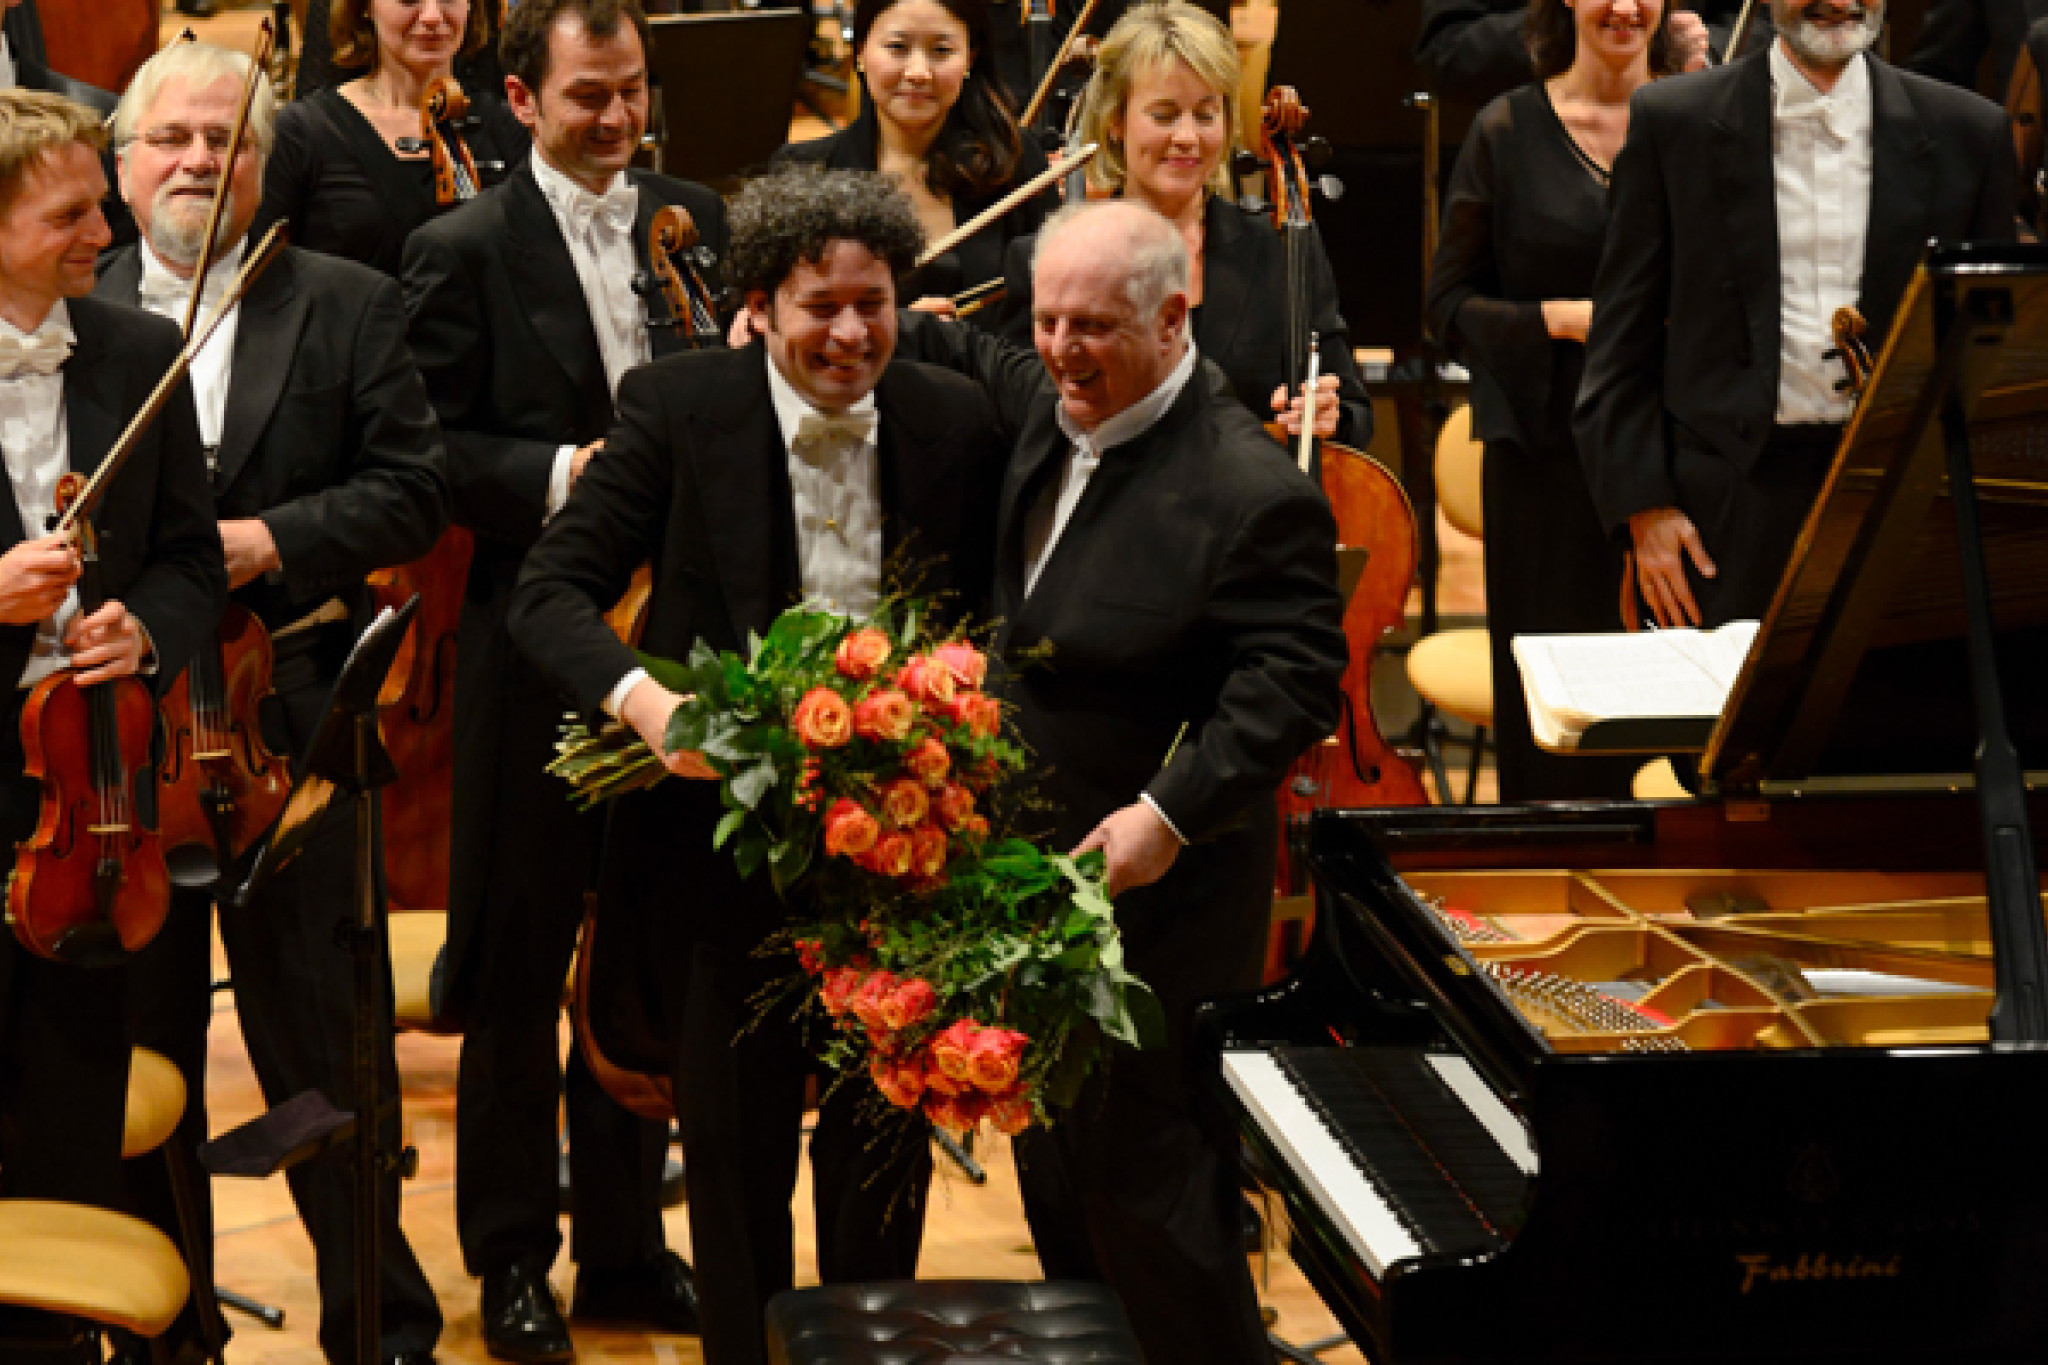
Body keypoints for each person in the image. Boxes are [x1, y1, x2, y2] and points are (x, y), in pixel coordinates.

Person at [506, 168, 1004, 1365]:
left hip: (901, 866)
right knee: (733, 1178)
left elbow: (997, 616)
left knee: (880, 1166)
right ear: (761, 307)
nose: (847, 333)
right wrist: (648, 705)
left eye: (872, 304)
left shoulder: (954, 421)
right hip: (718, 868)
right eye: (818, 305)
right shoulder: (679, 408)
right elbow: (547, 592)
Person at [901, 199, 1346, 1365]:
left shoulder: (1250, 489)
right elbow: (978, 351)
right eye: (1047, 319)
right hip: (1038, 881)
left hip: (1164, 897)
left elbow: (1293, 682)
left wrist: (1166, 814)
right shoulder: (1056, 405)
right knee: (1058, 1168)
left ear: (1170, 318)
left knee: (1153, 1189)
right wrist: (856, 320)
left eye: (1090, 326)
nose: (1059, 348)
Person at [99, 42, 450, 1365]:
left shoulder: (347, 302)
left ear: (267, 165)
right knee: (142, 1049)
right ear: (124, 165)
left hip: (289, 722)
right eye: (174, 138)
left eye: (229, 141)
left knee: (325, 1053)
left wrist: (266, 539)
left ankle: (382, 1324)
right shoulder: (67, 323)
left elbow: (412, 490)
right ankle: (164, 1327)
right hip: (118, 749)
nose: (200, 161)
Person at [402, 0, 723, 1357]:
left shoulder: (692, 220)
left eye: (632, 90)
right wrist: (559, 478)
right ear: (522, 99)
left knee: (641, 951)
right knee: (525, 957)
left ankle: (629, 1251)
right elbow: (419, 455)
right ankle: (512, 1255)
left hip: (680, 644)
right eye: (588, 96)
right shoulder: (458, 248)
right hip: (537, 640)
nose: (616, 119)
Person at [1575, 0, 2016, 632]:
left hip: (1901, 506)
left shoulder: (1970, 132)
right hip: (1720, 513)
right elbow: (1620, 344)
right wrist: (1645, 509)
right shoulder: (1675, 121)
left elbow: (1988, 357)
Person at [0, 89, 224, 1211]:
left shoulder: (140, 351)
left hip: (92, 812)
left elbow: (190, 556)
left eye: (102, 206)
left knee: (71, 1127)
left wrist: (144, 625)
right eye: (69, 216)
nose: (107, 233)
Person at [1424, 0, 1666, 801]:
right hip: (1543, 468)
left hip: (1671, 468)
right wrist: (1556, 320)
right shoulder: (1505, 131)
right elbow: (1448, 307)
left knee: (1661, 712)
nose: (1625, 7)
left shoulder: (1698, 123)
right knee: (1556, 726)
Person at [991, 1, 1373, 452]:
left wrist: (1331, 414)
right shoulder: (1048, 258)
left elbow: (1354, 409)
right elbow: (1017, 416)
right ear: (1117, 120)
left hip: (1243, 511)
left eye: (1206, 115)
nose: (1188, 137)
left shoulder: (1281, 249)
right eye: (1165, 115)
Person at [775, 0, 1053, 312]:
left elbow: (1044, 313)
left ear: (971, 58)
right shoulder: (801, 174)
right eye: (897, 47)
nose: (919, 73)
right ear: (860, 53)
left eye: (941, 51)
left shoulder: (1017, 161)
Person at [256, 0, 528, 279]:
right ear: (364, 7)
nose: (433, 16)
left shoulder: (510, 127)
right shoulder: (304, 133)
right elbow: (265, 280)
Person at [1417, 0, 1725, 108]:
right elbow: (1447, 50)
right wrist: (1576, 26)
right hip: (1532, 149)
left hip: (1686, 131)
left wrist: (1702, 49)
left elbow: (1762, 26)